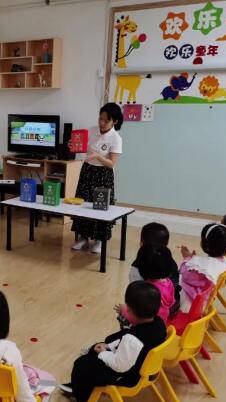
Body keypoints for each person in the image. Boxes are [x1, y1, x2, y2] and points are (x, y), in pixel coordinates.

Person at [59, 281, 167, 402]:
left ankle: (84, 400)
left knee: (82, 365)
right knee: (94, 350)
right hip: (142, 367)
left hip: (128, 376)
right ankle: (79, 385)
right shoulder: (159, 323)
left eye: (128, 309)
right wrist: (108, 347)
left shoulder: (132, 340)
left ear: (131, 311)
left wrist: (104, 353)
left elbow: (119, 365)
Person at [71, 103, 123, 254]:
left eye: (106, 120)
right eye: (100, 118)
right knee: (83, 202)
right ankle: (83, 237)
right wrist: (73, 145)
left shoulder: (116, 138)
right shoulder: (91, 130)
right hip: (88, 170)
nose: (102, 123)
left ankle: (99, 240)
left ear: (115, 121)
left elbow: (111, 163)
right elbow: (80, 146)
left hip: (104, 174)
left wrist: (98, 156)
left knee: (100, 206)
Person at [116, 244, 176, 327]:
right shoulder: (169, 283)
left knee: (121, 317)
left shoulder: (147, 290)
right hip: (161, 324)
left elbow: (141, 317)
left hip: (146, 328)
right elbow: (171, 303)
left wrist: (124, 311)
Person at [178, 223, 226, 313]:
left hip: (192, 305)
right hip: (207, 297)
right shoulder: (224, 261)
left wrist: (186, 258)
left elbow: (185, 275)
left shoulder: (203, 268)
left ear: (206, 244)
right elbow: (202, 268)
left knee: (172, 280)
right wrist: (192, 260)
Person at [129, 222, 180, 305]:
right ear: (166, 244)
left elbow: (136, 296)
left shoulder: (137, 267)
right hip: (173, 305)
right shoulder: (170, 261)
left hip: (150, 309)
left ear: (142, 243)